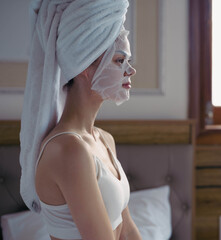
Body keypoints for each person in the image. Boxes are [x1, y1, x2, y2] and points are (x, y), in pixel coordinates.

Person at [19, 0, 142, 239]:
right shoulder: (68, 150)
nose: (130, 70)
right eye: (119, 61)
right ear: (86, 67)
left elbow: (126, 228)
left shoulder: (104, 139)